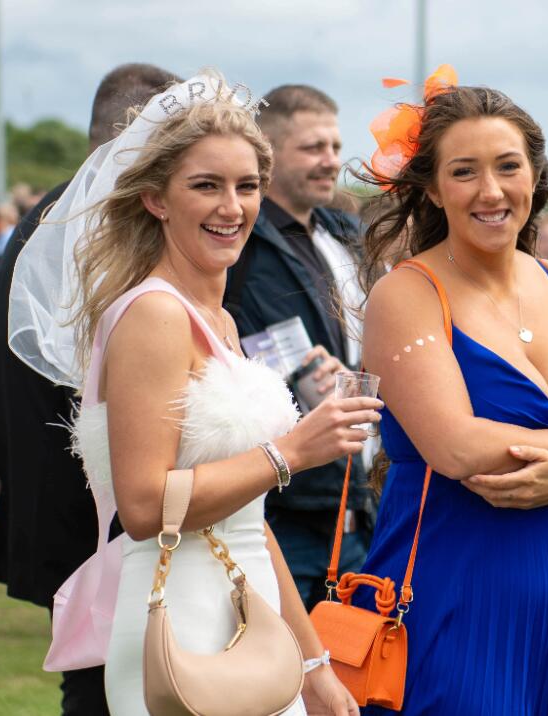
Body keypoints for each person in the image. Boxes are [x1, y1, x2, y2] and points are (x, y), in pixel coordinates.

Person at [9, 73, 375, 716]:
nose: (231, 207)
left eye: (247, 186)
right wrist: (292, 450)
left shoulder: (223, 323)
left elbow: (250, 527)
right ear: (156, 199)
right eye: (206, 185)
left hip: (251, 619)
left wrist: (313, 664)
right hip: (177, 623)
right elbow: (145, 505)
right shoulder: (152, 315)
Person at [353, 73, 548, 714]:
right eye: (464, 172)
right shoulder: (407, 295)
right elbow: (458, 446)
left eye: (508, 167)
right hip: (453, 601)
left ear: (534, 175)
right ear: (434, 190)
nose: (491, 191)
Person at [0, 63, 182, 716]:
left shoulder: (57, 215)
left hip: (76, 507)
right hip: (96, 516)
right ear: (130, 132)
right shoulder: (90, 229)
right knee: (108, 690)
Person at [225, 84, 373, 610]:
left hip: (357, 493)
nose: (331, 160)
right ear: (269, 152)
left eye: (335, 146)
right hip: (282, 500)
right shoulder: (238, 242)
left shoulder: (342, 234)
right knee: (280, 671)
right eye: (313, 148)